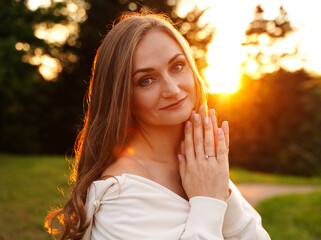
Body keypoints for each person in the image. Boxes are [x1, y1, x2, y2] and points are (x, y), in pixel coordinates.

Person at [45, 12, 271, 240]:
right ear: (122, 97)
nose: (172, 90)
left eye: (177, 66)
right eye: (146, 80)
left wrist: (220, 190)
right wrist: (209, 202)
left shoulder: (199, 166)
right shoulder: (121, 196)